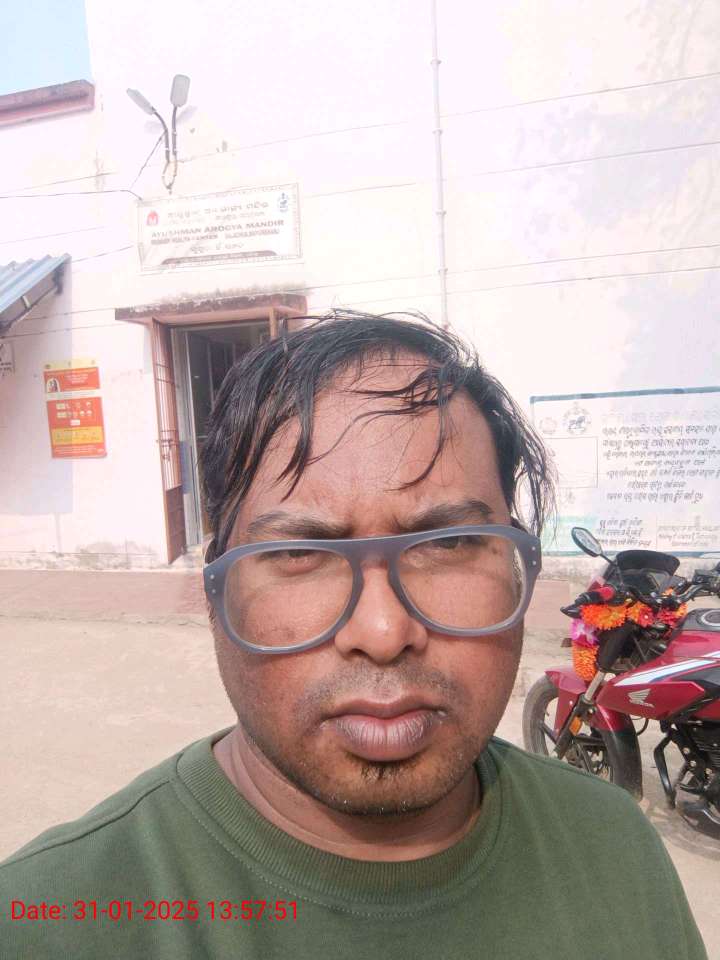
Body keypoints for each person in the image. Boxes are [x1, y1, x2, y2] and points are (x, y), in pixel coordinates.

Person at [0, 312, 706, 959]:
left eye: (449, 543)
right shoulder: (49, 923)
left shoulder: (614, 845)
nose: (383, 631)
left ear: (520, 566)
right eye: (297, 553)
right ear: (216, 593)